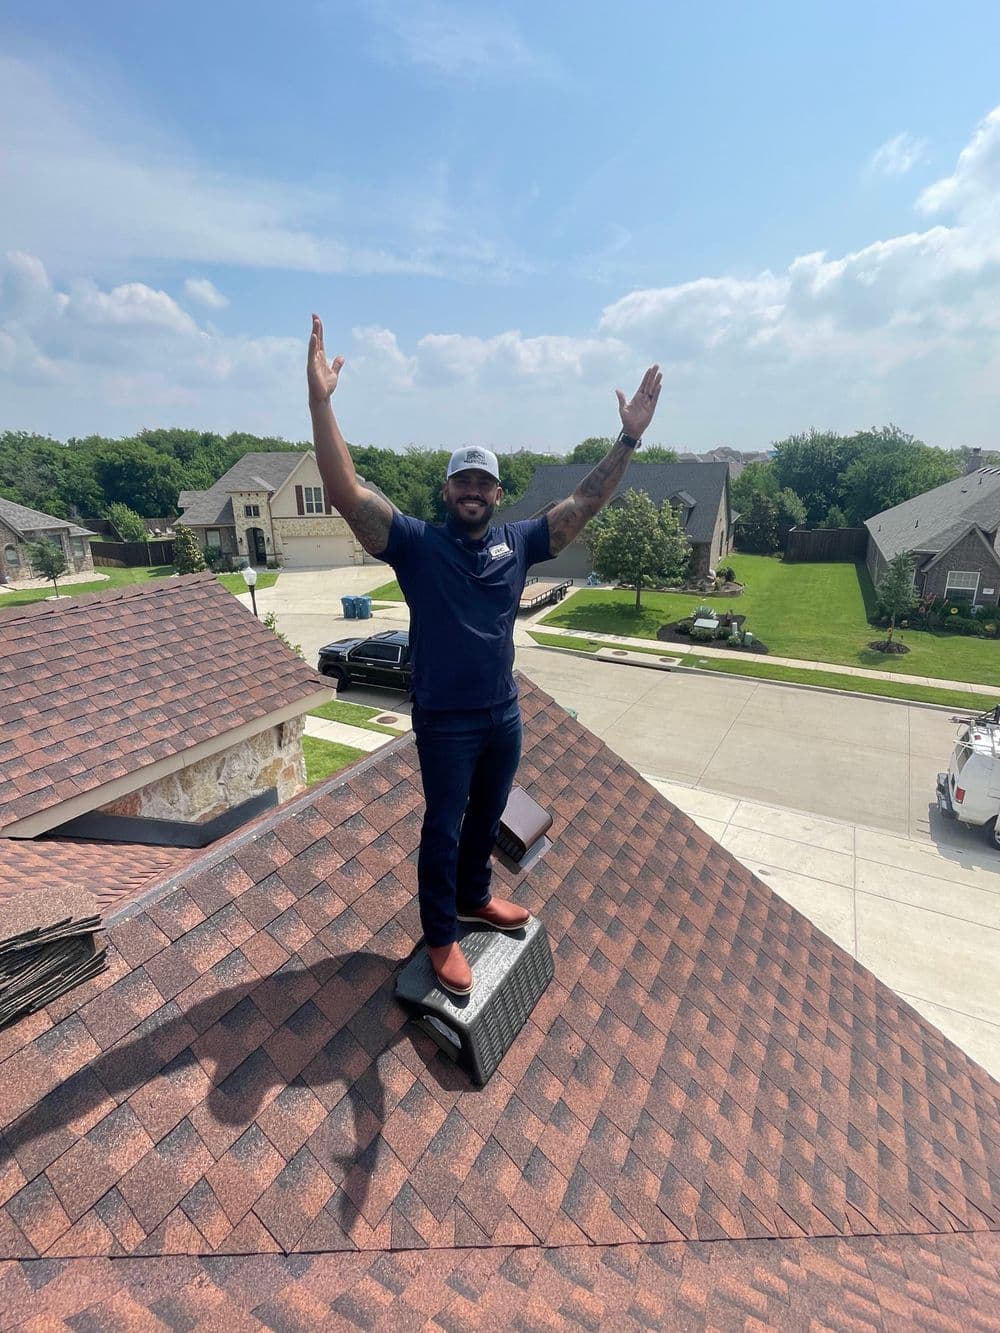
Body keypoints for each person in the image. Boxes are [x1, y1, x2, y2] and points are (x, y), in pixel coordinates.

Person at [307, 314, 661, 995]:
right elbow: (346, 492)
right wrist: (322, 403)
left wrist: (628, 437)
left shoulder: (520, 543)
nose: (472, 491)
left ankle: (475, 897)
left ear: (497, 494)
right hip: (445, 720)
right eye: (461, 482)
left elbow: (586, 500)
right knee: (442, 828)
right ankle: (441, 934)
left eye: (483, 483)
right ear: (447, 491)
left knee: (485, 818)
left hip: (502, 715)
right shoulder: (414, 543)